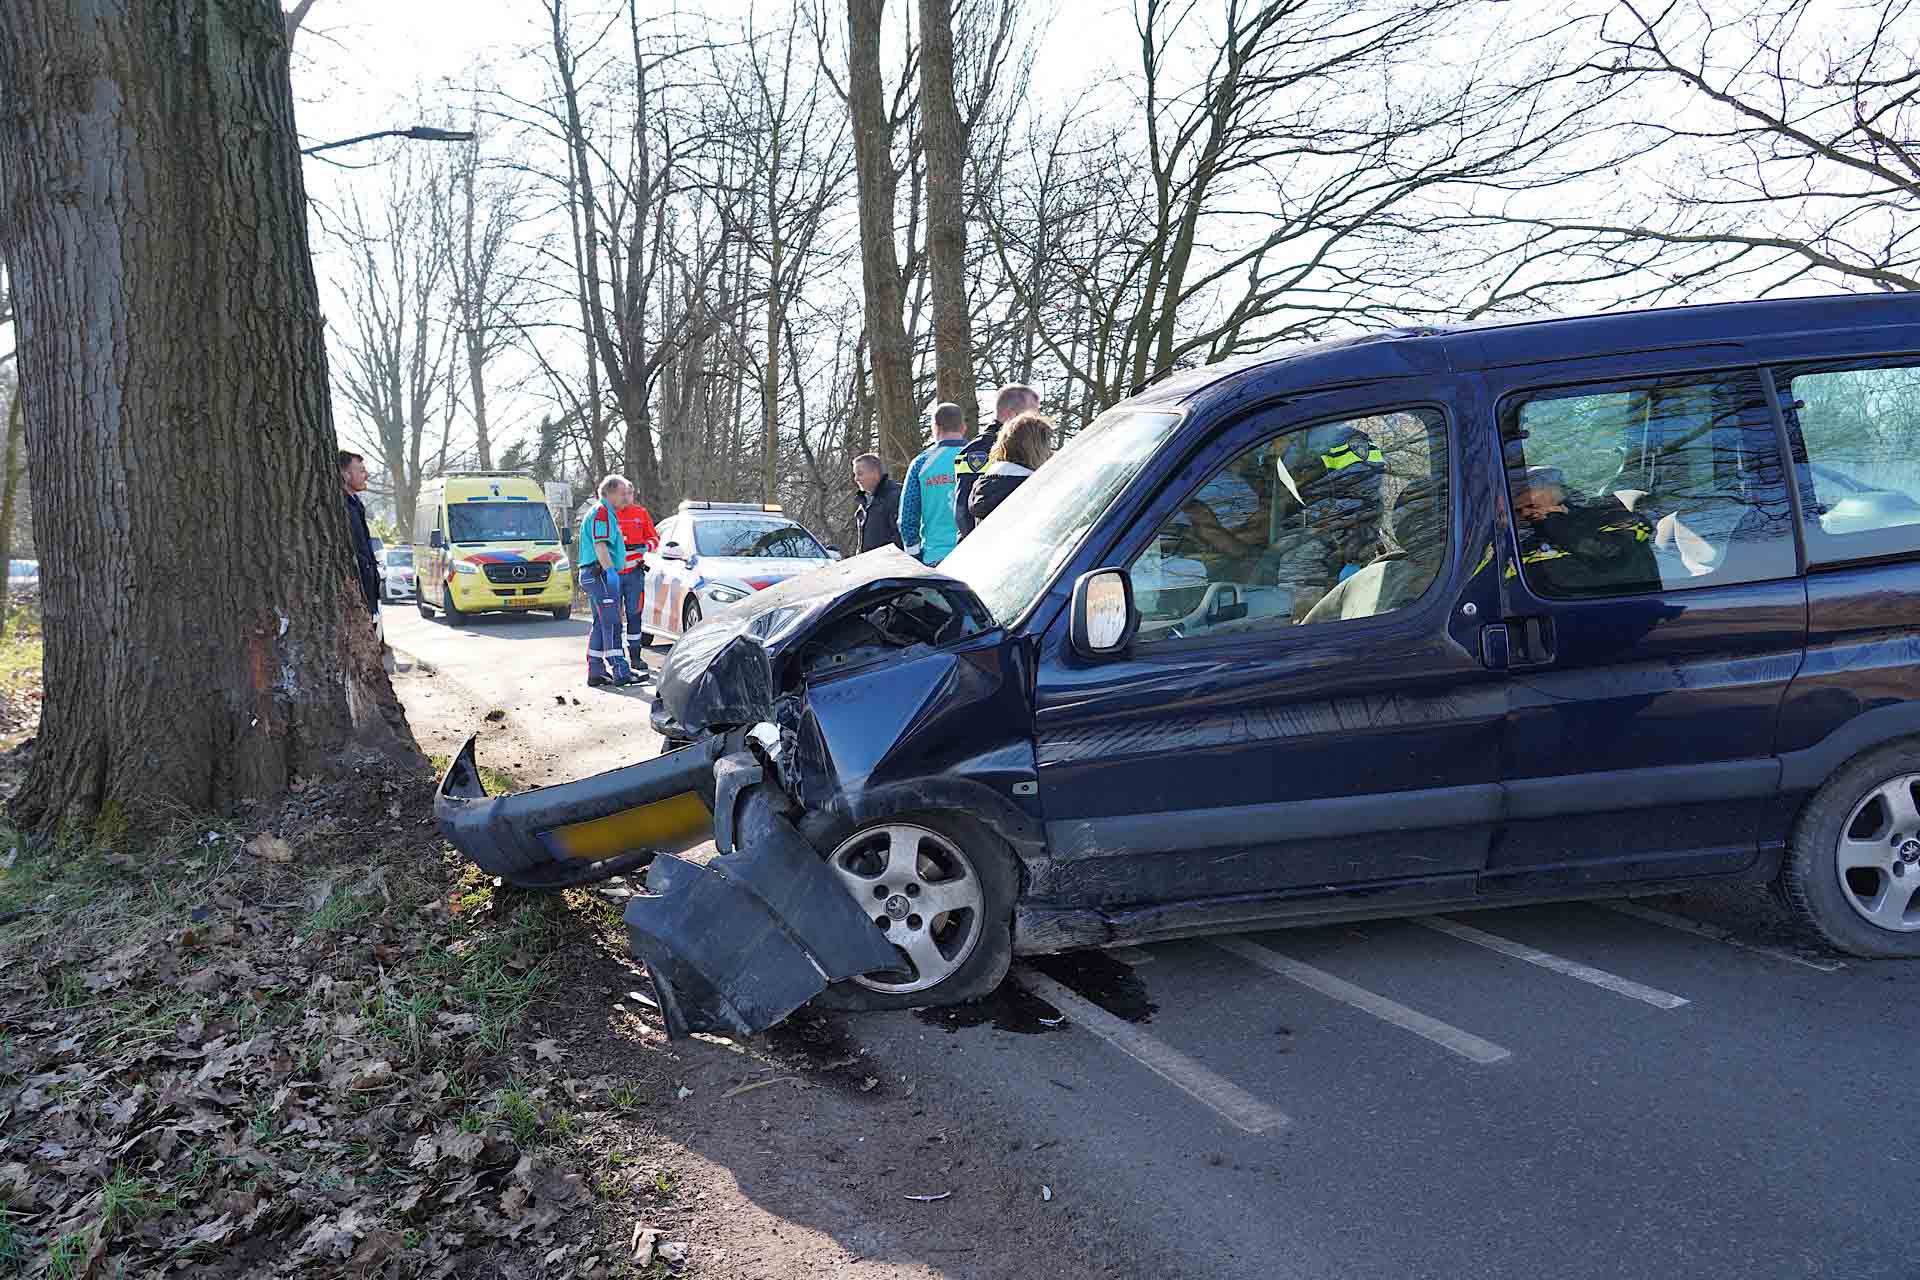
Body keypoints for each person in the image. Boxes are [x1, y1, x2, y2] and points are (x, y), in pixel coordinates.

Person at [1512, 464, 1660, 596]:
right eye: (1518, 510)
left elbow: (1607, 552)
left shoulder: (1610, 518)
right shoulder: (1529, 538)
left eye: (1530, 505)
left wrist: (1554, 519)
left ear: (1552, 492)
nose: (1525, 513)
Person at [577, 474, 643, 688]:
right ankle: (620, 670)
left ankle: (595, 671)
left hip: (596, 574)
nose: (626, 497)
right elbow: (601, 546)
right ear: (612, 493)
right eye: (623, 493)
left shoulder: (603, 512)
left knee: (600, 623)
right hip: (600, 574)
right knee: (612, 622)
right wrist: (611, 572)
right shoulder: (603, 513)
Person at [953, 382, 1039, 541]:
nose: (1037, 421)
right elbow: (964, 508)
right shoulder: (979, 450)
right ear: (1012, 415)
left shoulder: (1028, 447)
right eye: (1032, 415)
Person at [898, 403, 968, 565]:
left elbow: (907, 517)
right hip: (977, 552)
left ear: (935, 427)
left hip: (935, 556)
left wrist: (914, 556)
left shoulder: (921, 463)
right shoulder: (980, 458)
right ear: (963, 427)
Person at [965, 410, 1053, 525]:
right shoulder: (1031, 489)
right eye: (1048, 445)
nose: (1050, 452)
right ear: (1037, 448)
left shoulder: (983, 487)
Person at [614, 481, 659, 674]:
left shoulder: (640, 513)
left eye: (629, 493)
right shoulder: (608, 514)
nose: (625, 497)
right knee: (613, 617)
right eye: (622, 493)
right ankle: (617, 658)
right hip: (612, 574)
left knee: (634, 614)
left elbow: (655, 539)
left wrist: (645, 547)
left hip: (634, 574)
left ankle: (635, 656)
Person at [339, 451, 381, 624]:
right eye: (361, 470)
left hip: (368, 589)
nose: (367, 475)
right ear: (345, 475)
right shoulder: (343, 507)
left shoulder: (356, 504)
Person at [853, 453, 902, 553]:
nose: (856, 479)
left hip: (892, 564)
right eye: (855, 474)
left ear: (874, 473)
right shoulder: (864, 501)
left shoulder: (896, 496)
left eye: (860, 474)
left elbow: (901, 537)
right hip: (868, 564)